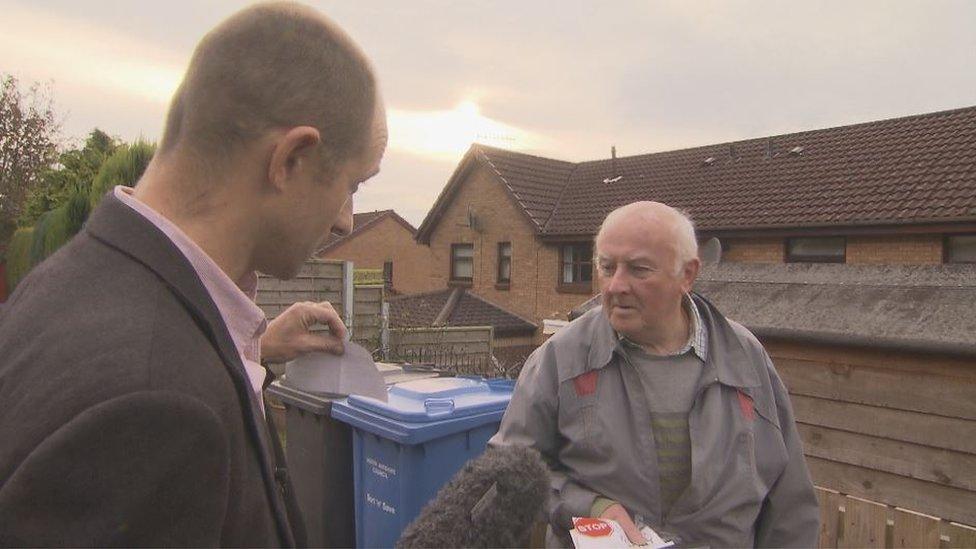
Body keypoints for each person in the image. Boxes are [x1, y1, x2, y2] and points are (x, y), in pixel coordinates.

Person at [0, 3, 387, 546]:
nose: (346, 218)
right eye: (353, 183)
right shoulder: (156, 408)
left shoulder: (71, 281)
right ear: (292, 158)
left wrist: (249, 349)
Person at [490, 201, 819, 548]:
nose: (616, 285)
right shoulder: (562, 357)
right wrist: (587, 506)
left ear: (687, 275)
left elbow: (790, 503)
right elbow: (508, 469)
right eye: (606, 266)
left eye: (638, 269)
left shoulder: (745, 359)